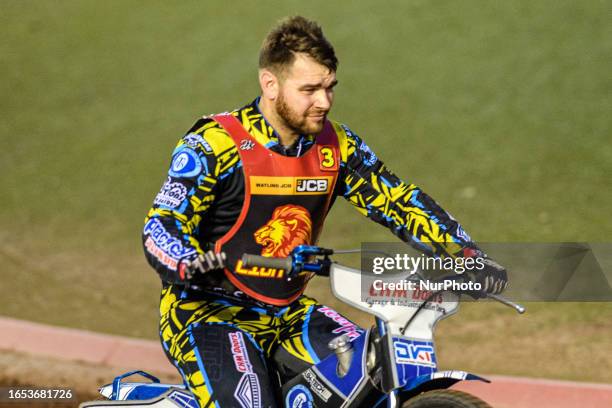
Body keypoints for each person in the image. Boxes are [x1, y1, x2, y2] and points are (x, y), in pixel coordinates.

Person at [142, 15, 507, 407]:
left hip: (288, 313)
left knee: (373, 380)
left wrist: (464, 253)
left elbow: (398, 200)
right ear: (270, 84)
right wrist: (185, 261)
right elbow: (161, 224)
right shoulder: (214, 144)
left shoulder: (337, 146)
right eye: (310, 89)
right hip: (206, 315)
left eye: (330, 87)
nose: (325, 102)